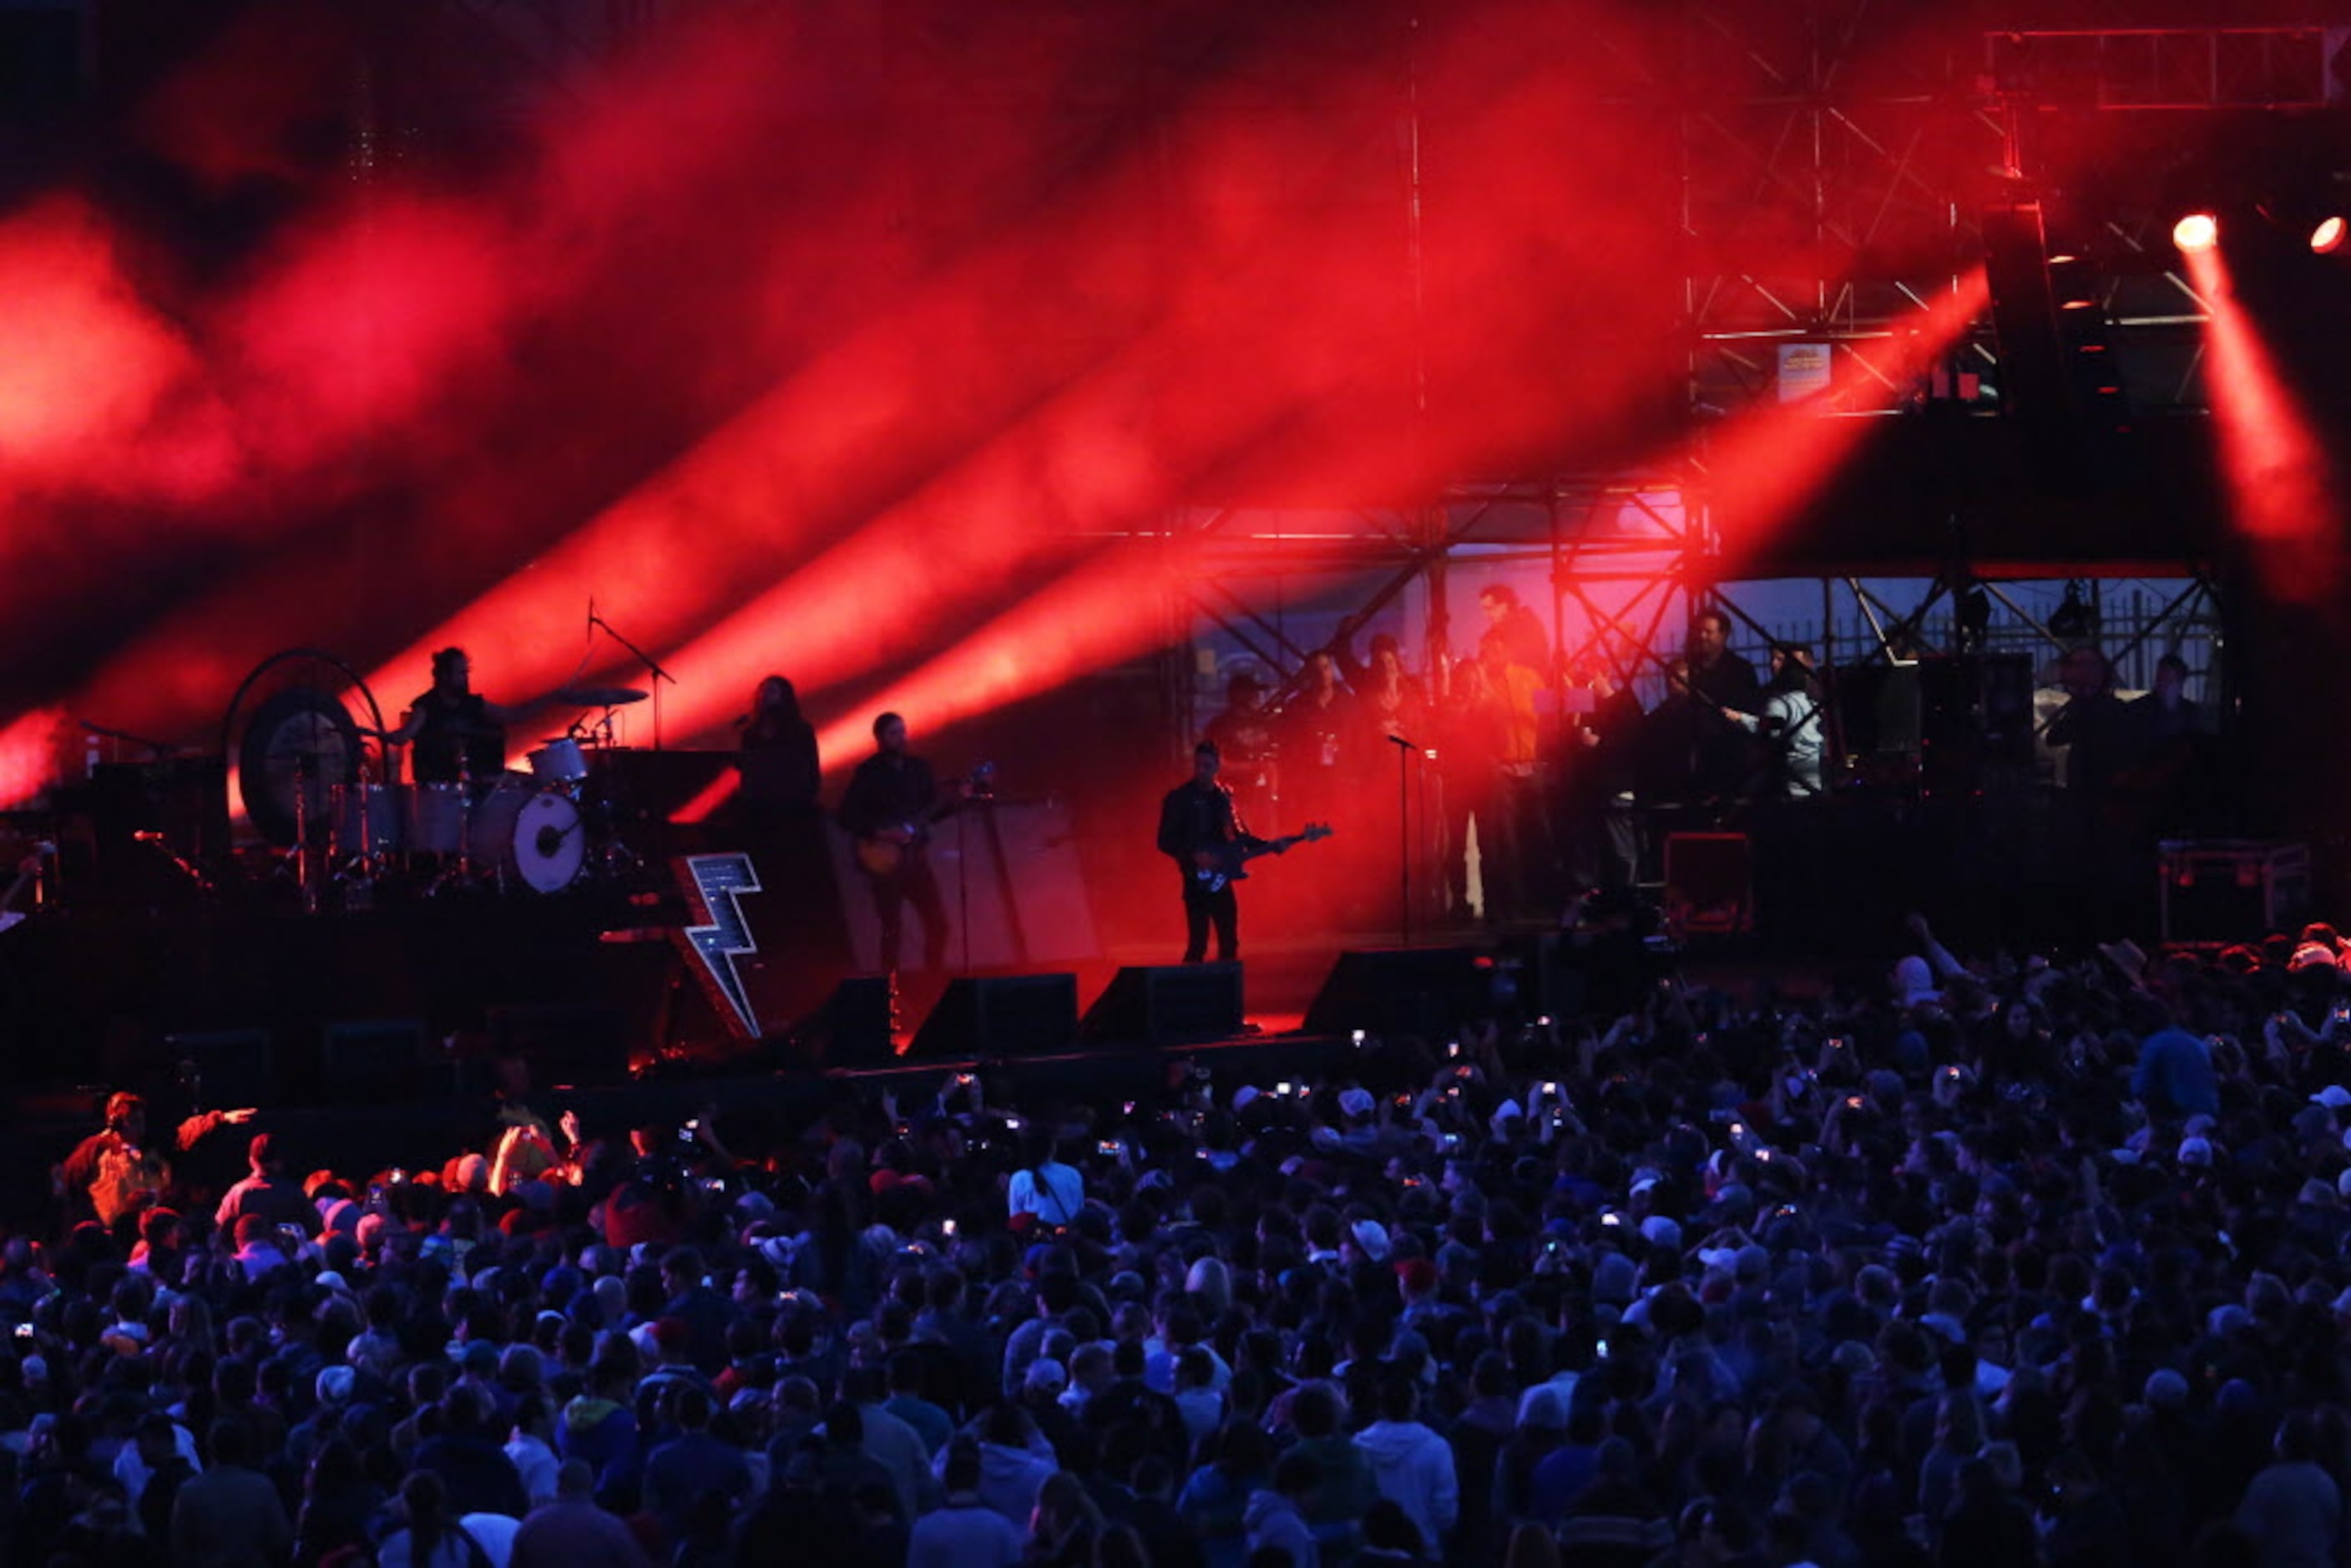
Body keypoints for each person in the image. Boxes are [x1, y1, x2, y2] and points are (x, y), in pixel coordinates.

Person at [837, 712, 951, 977]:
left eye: (902, 731)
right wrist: (882, 833)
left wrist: (960, 799)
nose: (900, 738)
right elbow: (846, 816)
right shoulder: (868, 773)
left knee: (939, 924)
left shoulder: (919, 769)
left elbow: (933, 811)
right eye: (893, 733)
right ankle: (889, 989)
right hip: (885, 865)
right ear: (880, 738)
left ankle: (933, 980)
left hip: (916, 861)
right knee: (892, 929)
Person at [58, 1091, 252, 1234]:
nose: (140, 1126)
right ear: (116, 1122)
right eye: (133, 1121)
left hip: (158, 1232)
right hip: (117, 1235)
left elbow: (188, 1131)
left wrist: (221, 1118)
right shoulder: (94, 1151)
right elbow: (67, 1183)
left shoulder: (155, 1145)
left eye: (141, 1119)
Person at [1157, 741, 1279, 964]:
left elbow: (1238, 833)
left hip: (1222, 877)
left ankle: (1225, 990)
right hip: (1196, 878)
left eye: (1206, 765)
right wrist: (1193, 855)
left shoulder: (1224, 796)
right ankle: (1191, 991)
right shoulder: (1179, 798)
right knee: (1198, 943)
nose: (1201, 770)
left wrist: (1270, 845)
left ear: (1217, 766)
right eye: (1198, 765)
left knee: (1229, 939)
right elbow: (1165, 840)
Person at [387, 647, 544, 787]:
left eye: (466, 672)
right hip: (441, 790)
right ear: (444, 676)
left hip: (479, 783)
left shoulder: (473, 704)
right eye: (461, 673)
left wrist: (553, 697)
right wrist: (395, 736)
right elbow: (406, 734)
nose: (466, 678)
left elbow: (514, 715)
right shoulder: (426, 706)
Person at [1202, 670, 1281, 833]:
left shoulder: (1264, 721)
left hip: (1264, 796)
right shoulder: (1220, 726)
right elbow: (1213, 765)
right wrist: (1250, 768)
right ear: (1236, 694)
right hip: (1236, 797)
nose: (1256, 696)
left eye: (1255, 692)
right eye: (1250, 692)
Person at [736, 674, 822, 817]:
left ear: (784, 696)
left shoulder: (800, 729)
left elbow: (811, 766)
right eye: (762, 691)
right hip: (758, 804)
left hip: (792, 803)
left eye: (771, 691)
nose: (765, 695)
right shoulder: (751, 731)